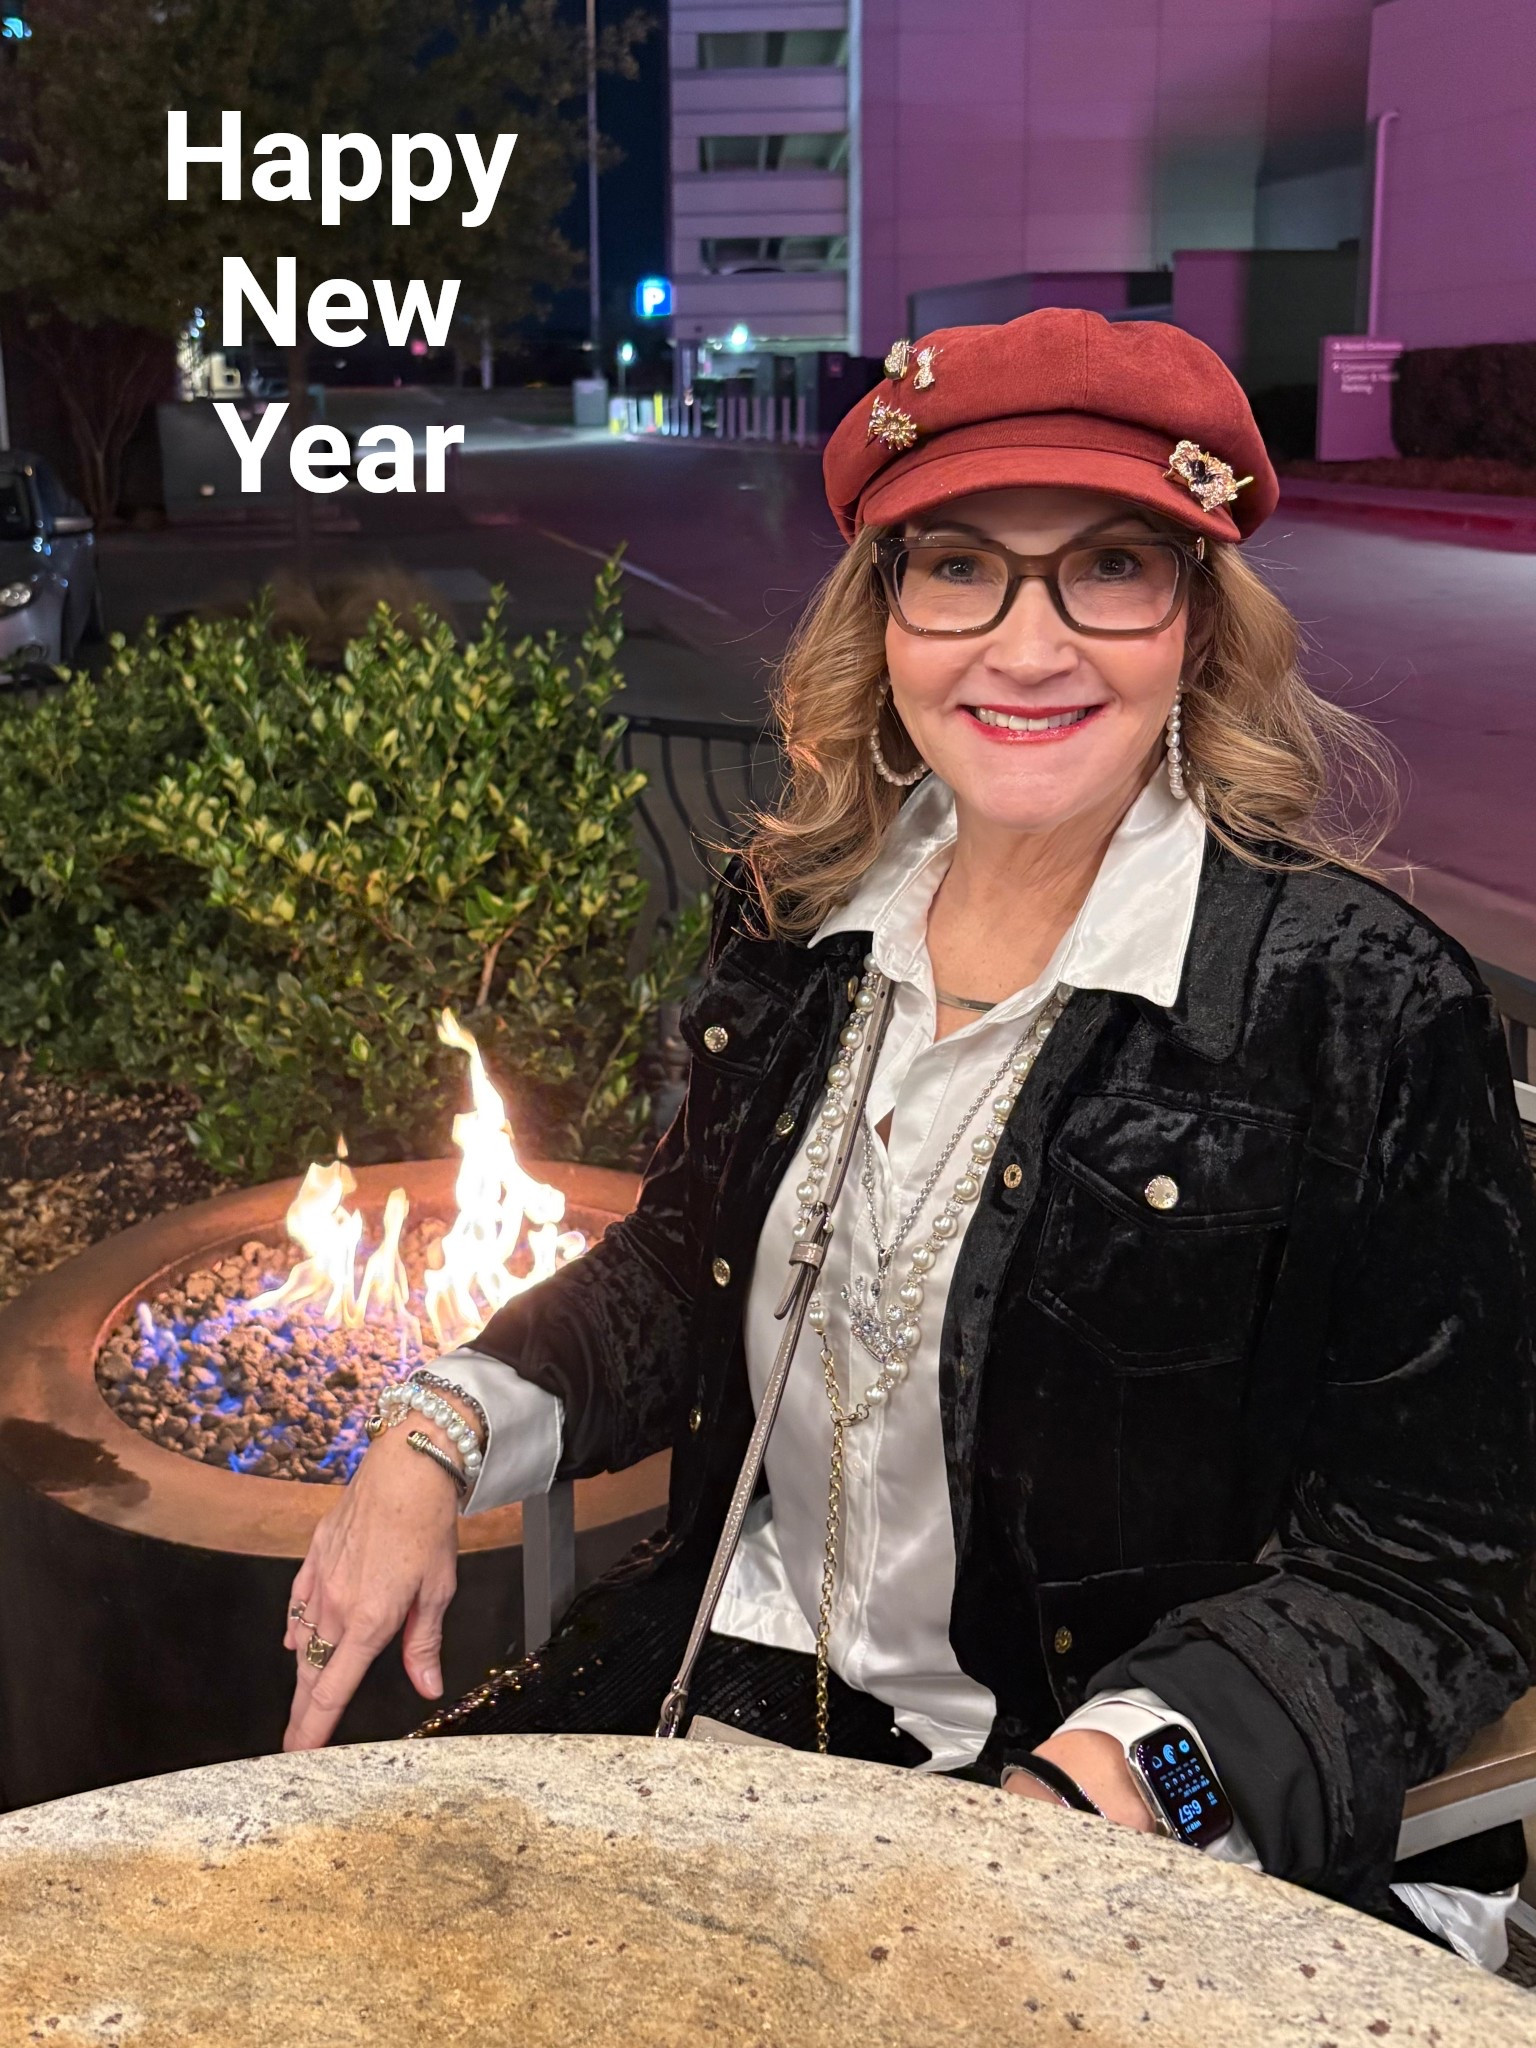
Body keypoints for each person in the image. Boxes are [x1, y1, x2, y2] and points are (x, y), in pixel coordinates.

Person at [283, 308, 1536, 1964]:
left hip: (1091, 1794)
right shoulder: (798, 918)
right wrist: (428, 1437)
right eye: (957, 567)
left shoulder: (1361, 1008)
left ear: (1197, 627)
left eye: (1111, 566)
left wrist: (1101, 1789)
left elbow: (1439, 1559)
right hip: (711, 1689)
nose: (1027, 648)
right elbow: (682, 1266)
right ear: (885, 621)